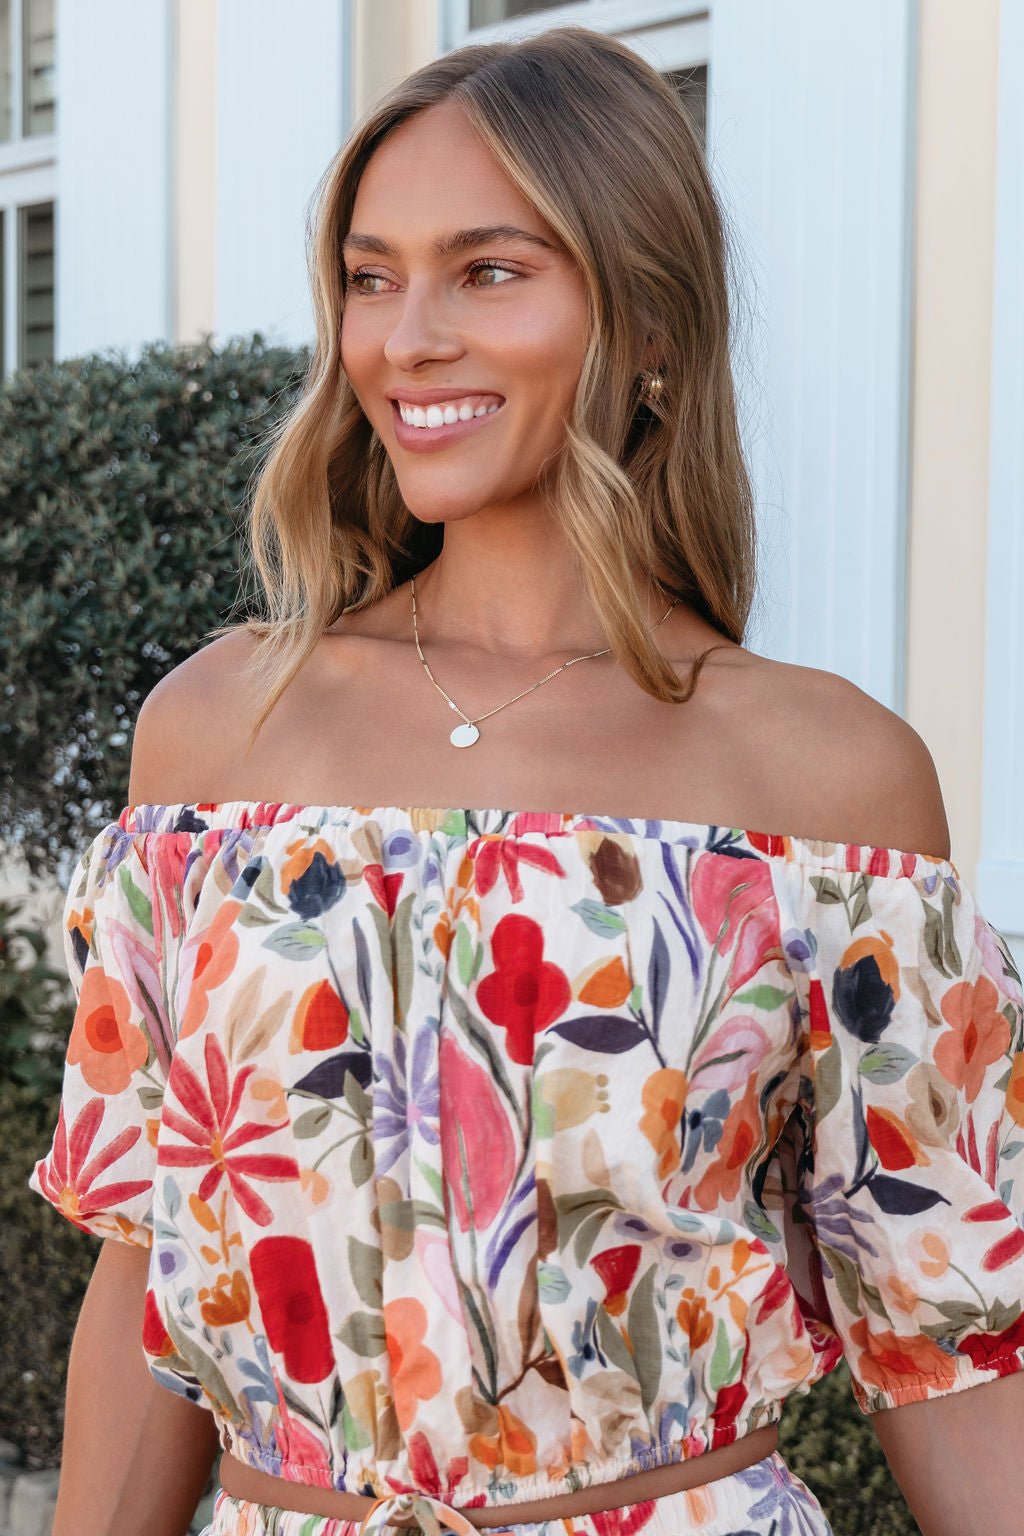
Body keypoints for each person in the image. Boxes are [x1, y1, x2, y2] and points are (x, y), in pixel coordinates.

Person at [30, 24, 1024, 1536]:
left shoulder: (829, 788)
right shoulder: (216, 739)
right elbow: (148, 1258)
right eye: (371, 277)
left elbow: (950, 1338)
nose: (405, 337)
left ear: (649, 324)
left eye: (487, 270)